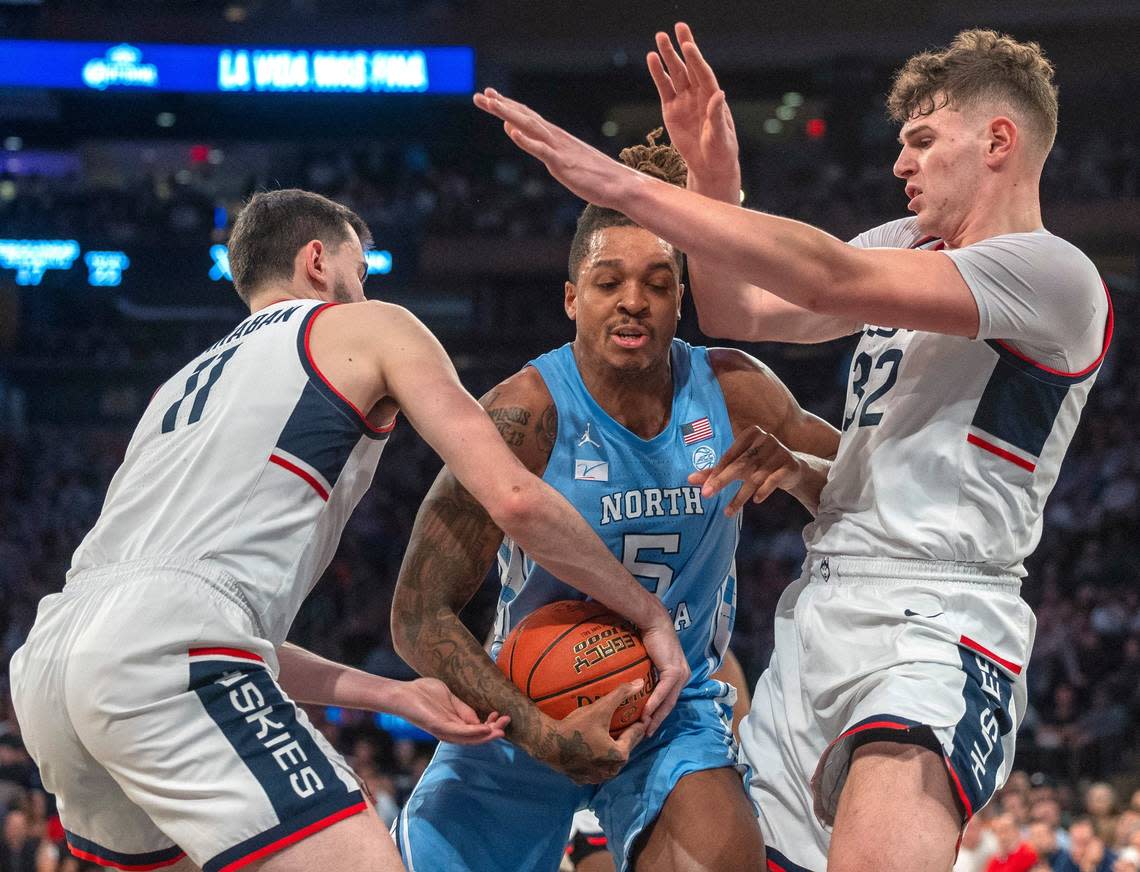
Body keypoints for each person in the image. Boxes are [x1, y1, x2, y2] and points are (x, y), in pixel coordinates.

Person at [473, 23, 1112, 872]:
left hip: (936, 623)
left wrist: (615, 182)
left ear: (999, 141)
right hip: (820, 609)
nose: (900, 164)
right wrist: (714, 177)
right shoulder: (905, 245)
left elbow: (824, 279)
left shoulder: (1053, 273)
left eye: (922, 140)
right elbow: (743, 312)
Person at [9, 189, 688, 872]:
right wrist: (648, 612)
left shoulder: (176, 390)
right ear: (316, 261)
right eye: (359, 270)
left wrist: (391, 693)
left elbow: (210, 619)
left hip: (53, 659)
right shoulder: (367, 326)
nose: (364, 288)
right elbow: (513, 498)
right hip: (164, 648)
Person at [389, 138, 839, 872]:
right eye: (609, 281)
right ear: (572, 297)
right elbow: (417, 614)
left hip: (673, 702)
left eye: (659, 282)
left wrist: (794, 473)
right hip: (525, 697)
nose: (634, 300)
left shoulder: (735, 391)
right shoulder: (522, 413)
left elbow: (861, 489)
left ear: (682, 300)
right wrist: (540, 732)